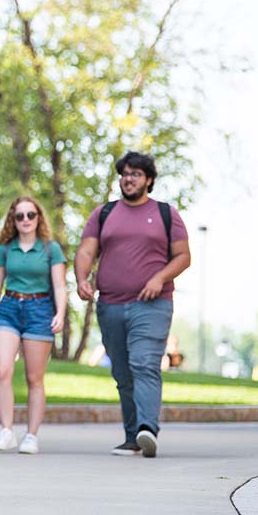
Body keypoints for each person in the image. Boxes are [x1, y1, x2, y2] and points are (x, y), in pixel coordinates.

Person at [74, 151, 191, 458]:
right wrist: (82, 279)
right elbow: (86, 251)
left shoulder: (166, 213)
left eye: (136, 174)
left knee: (144, 364)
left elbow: (183, 257)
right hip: (110, 305)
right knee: (123, 373)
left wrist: (159, 278)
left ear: (148, 179)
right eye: (125, 174)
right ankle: (132, 437)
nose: (129, 179)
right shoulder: (104, 213)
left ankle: (148, 429)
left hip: (152, 305)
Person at [0, 196, 67, 454]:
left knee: (34, 378)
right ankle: (7, 431)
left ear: (39, 218)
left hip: (40, 310)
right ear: (13, 220)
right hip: (9, 309)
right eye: (20, 216)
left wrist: (60, 313)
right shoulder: (5, 249)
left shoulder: (51, 249)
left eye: (31, 215)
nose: (26, 220)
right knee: (3, 370)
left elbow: (61, 285)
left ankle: (31, 435)